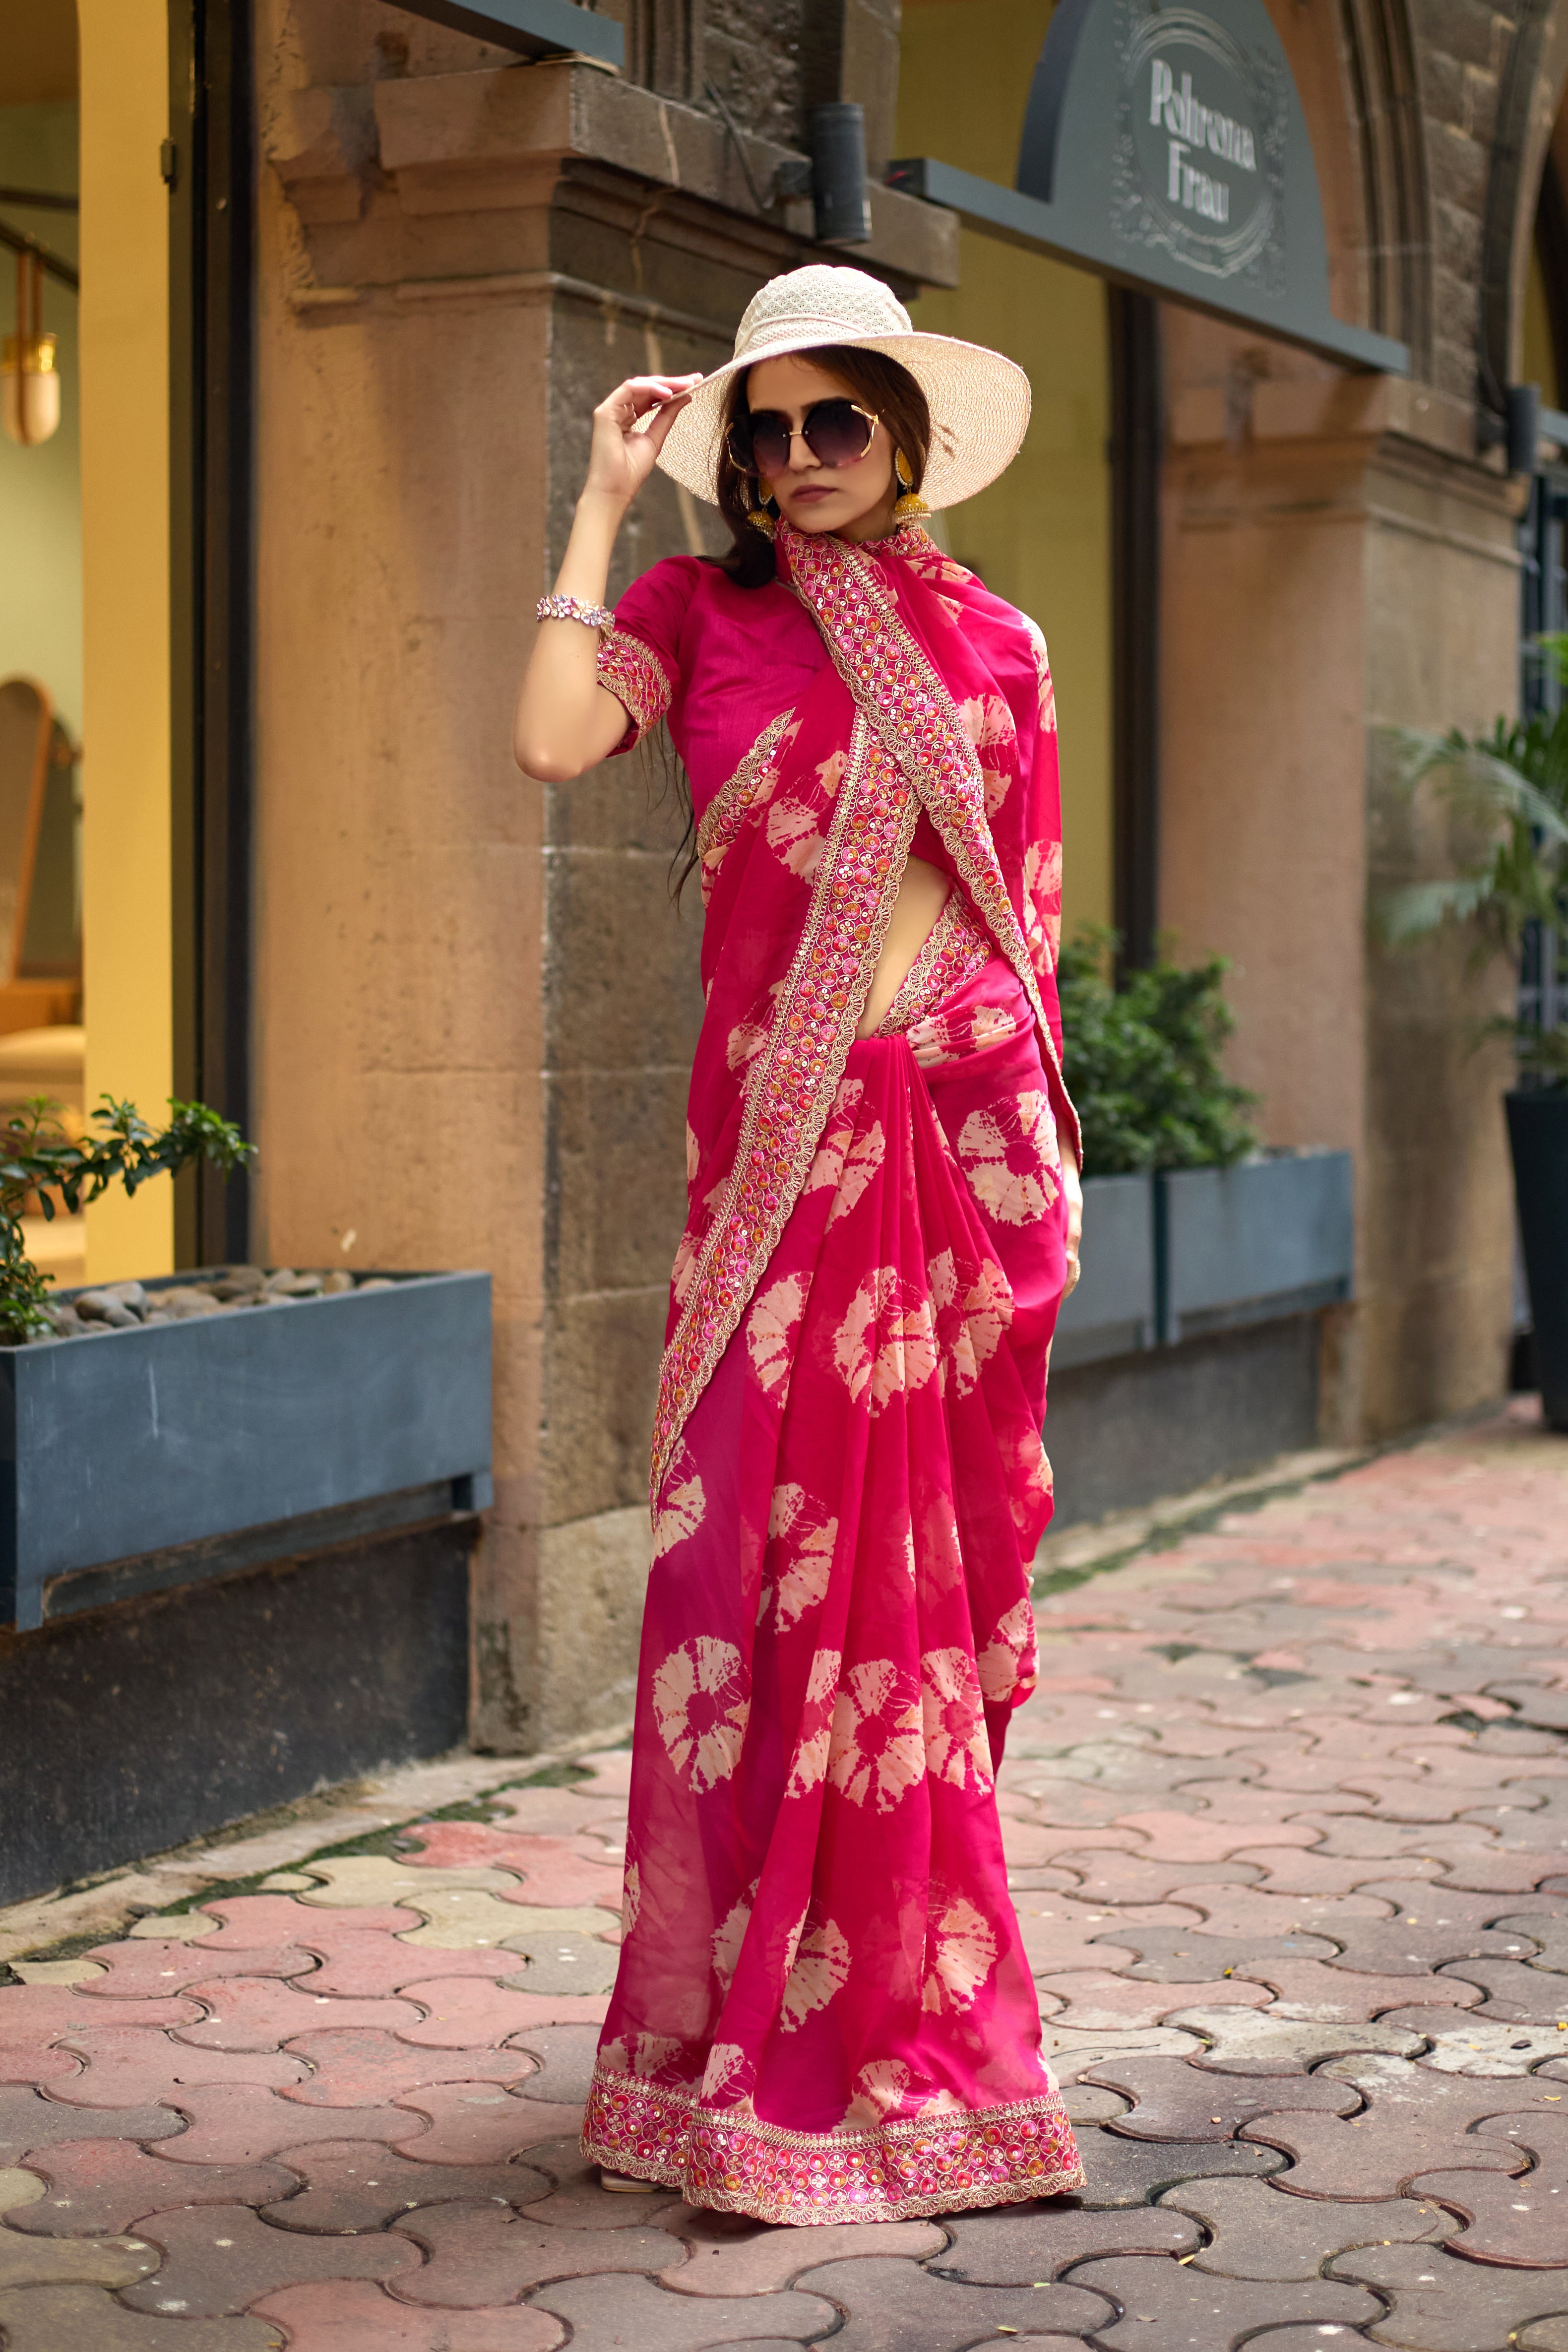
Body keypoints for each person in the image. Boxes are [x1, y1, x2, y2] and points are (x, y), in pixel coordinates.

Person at [513, 263, 1085, 2226]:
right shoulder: (695, 610)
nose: (794, 458)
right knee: (737, 1602)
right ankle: (728, 2051)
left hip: (934, 1178)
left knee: (900, 1615)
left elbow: (1025, 918)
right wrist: (603, 501)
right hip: (764, 1186)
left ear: (904, 437)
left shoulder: (995, 642)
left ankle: (900, 2047)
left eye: (833, 421)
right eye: (762, 432)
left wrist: (980, 1084)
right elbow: (548, 746)